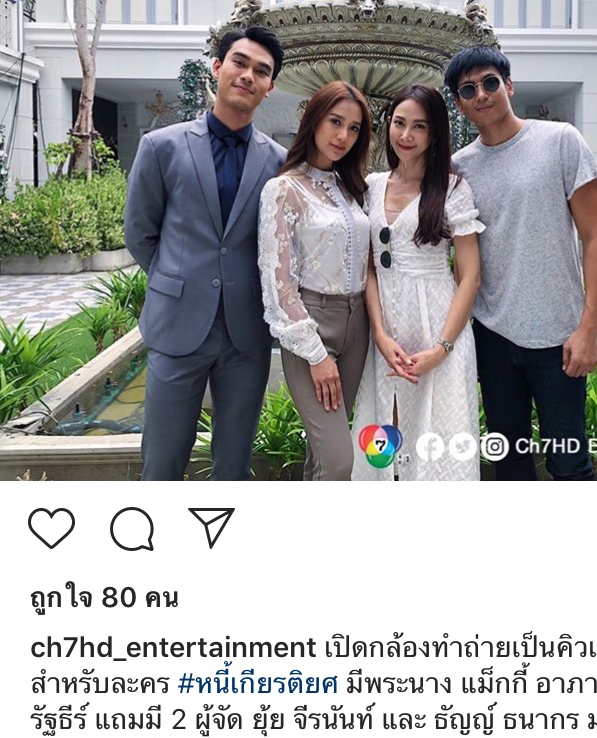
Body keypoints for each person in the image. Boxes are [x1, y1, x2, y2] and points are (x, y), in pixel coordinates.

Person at [125, 27, 286, 481]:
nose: (248, 75)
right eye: (240, 63)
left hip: (246, 332)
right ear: (217, 67)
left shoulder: (279, 161)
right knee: (162, 462)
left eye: (261, 71)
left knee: (233, 464)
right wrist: (178, 280)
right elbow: (140, 232)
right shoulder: (161, 146)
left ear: (270, 86)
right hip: (177, 324)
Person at [447, 46, 597, 481]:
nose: (481, 94)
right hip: (493, 336)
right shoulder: (458, 168)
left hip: (559, 336)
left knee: (570, 463)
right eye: (468, 90)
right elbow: (458, 257)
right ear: (460, 104)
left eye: (490, 83)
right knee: (509, 460)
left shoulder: (560, 141)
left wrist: (589, 328)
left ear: (509, 85)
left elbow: (596, 238)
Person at [352, 84, 483, 481]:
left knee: (438, 438)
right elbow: (370, 267)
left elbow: (470, 275)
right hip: (388, 333)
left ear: (435, 133)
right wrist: (379, 333)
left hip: (438, 327)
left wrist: (441, 348)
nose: (406, 135)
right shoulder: (373, 185)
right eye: (399, 123)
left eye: (419, 126)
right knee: (384, 435)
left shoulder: (452, 189)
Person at [258, 81, 372, 481]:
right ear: (314, 119)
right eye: (335, 122)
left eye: (354, 128)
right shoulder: (283, 189)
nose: (343, 136)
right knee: (339, 461)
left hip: (357, 325)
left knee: (322, 456)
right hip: (311, 326)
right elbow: (278, 284)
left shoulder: (351, 188)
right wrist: (316, 355)